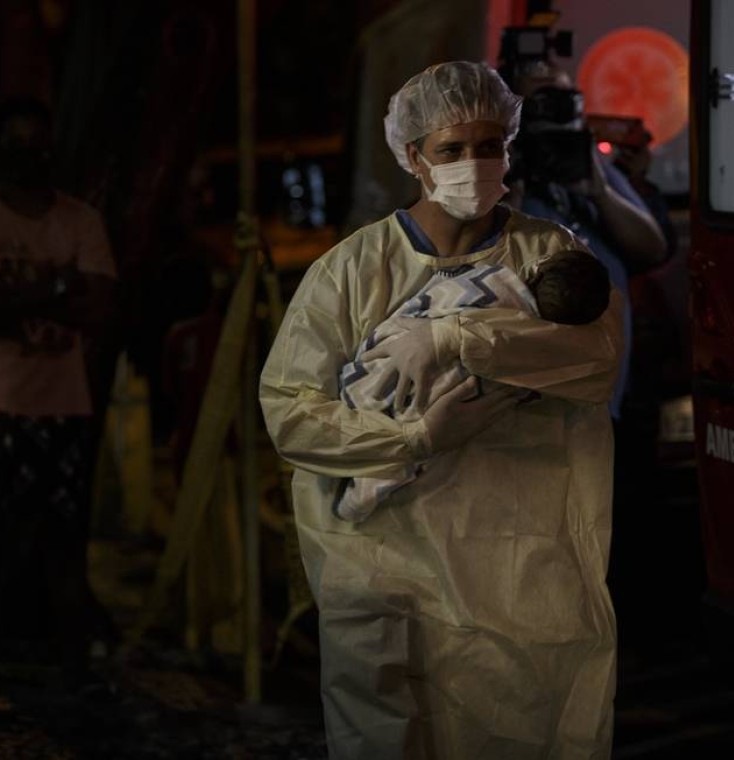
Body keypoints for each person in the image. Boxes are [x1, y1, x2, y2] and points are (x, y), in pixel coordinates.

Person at [260, 60, 623, 759]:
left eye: (489, 145)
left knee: (513, 724)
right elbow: (290, 412)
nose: (472, 164)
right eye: (451, 149)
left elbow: (595, 360)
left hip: (516, 566)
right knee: (387, 732)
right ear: (412, 157)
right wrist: (413, 435)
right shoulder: (350, 271)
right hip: (377, 563)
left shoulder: (545, 256)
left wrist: (458, 336)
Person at [0, 97, 116, 686]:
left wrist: (19, 296)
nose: (30, 157)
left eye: (37, 143)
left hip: (60, 402)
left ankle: (63, 654)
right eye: (17, 144)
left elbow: (98, 307)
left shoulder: (80, 221)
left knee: (60, 533)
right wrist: (58, 286)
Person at [335, 249, 610, 523]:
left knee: (421, 394)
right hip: (421, 382)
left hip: (374, 375)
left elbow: (442, 289)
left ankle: (364, 393)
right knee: (416, 420)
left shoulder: (493, 282)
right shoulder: (540, 351)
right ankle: (362, 494)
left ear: (540, 267)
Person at [503, 59, 668, 419]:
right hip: (529, 408)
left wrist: (600, 193)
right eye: (541, 100)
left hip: (599, 402)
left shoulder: (592, 171)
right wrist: (509, 189)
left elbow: (653, 249)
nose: (556, 110)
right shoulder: (501, 179)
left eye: (565, 98)